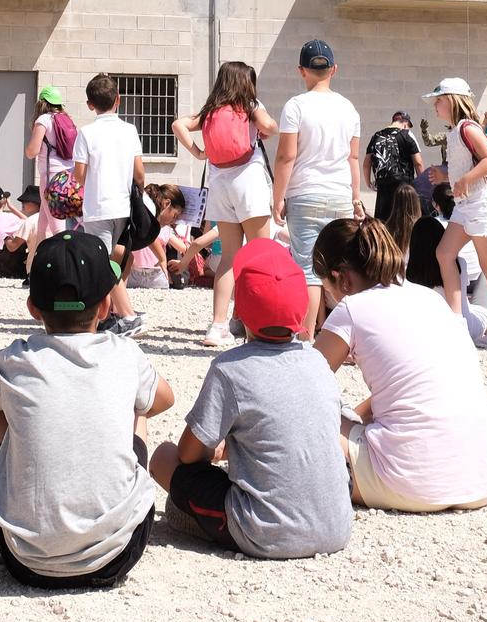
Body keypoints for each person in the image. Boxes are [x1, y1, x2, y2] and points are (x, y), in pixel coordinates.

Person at [0, 229, 174, 586]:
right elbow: (165, 399)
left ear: (33, 308)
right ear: (105, 306)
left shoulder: (16, 360)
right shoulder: (124, 354)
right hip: (119, 554)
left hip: (25, 559)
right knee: (138, 405)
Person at [148, 238, 353, 559]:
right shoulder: (317, 362)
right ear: (302, 313)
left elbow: (188, 455)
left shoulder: (231, 369)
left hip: (268, 531)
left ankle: (192, 522)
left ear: (240, 310)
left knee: (163, 457)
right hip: (337, 526)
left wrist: (217, 452)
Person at [312, 215, 487, 513]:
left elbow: (300, 387)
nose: (329, 297)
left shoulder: (352, 308)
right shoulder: (429, 298)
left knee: (307, 420)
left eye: (327, 288)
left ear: (343, 278)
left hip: (411, 483)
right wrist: (354, 417)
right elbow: (407, 386)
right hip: (481, 478)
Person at [173, 62, 278, 348]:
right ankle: (252, 319)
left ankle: (218, 326)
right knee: (259, 254)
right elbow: (270, 126)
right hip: (249, 183)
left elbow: (178, 124)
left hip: (220, 185)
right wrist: (262, 127)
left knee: (230, 257)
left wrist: (198, 153)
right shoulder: (250, 104)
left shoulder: (211, 110)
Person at [271, 39, 362, 341]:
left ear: (302, 71)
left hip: (306, 193)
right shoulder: (349, 108)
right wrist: (356, 198)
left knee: (309, 272)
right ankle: (350, 341)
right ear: (334, 69)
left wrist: (277, 197)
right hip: (340, 195)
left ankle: (306, 339)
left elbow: (286, 156)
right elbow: (353, 158)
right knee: (345, 269)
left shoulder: (296, 106)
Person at [426, 77, 487, 350]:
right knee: (444, 254)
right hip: (468, 206)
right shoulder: (459, 130)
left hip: (480, 204)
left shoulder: (467, 128)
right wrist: (447, 174)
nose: (435, 106)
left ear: (452, 101)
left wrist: (463, 180)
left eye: (439, 100)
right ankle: (457, 322)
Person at [71, 73, 145, 336]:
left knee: (103, 263)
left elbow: (79, 175)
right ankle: (110, 313)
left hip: (98, 206)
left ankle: (128, 315)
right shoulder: (129, 130)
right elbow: (139, 173)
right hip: (123, 207)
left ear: (90, 104)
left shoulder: (86, 133)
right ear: (119, 100)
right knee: (111, 258)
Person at [25, 86, 83, 237]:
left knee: (58, 229)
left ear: (42, 102)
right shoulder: (66, 118)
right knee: (43, 227)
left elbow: (32, 152)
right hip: (69, 177)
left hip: (51, 179)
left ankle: (64, 259)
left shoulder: (44, 120)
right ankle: (36, 259)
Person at [363, 111, 424, 223]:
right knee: (404, 221)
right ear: (405, 123)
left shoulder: (376, 136)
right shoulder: (407, 134)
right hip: (403, 186)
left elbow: (367, 163)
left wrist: (368, 183)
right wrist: (422, 183)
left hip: (383, 184)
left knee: (383, 222)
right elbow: (418, 163)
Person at [126, 185, 187, 292]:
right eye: (175, 215)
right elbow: (149, 235)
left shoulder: (144, 214)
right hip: (153, 275)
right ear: (166, 204)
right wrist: (163, 259)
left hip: (134, 272)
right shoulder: (158, 221)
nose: (174, 221)